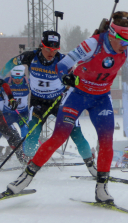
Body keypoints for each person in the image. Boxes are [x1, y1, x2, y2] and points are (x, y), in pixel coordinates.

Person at [4, 12, 128, 203]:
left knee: (107, 141)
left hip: (101, 98)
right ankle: (24, 179)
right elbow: (62, 65)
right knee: (59, 136)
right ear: (112, 35)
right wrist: (66, 78)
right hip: (78, 95)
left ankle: (102, 188)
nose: (125, 47)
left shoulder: (127, 45)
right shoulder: (93, 44)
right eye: (122, 42)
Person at [0, 31, 94, 173]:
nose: (51, 53)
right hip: (38, 103)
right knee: (31, 137)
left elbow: (78, 77)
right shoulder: (30, 57)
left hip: (60, 102)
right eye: (48, 49)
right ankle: (29, 166)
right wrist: (1, 76)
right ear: (41, 46)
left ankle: (92, 167)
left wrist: (74, 81)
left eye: (55, 50)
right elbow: (11, 63)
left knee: (76, 133)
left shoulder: (63, 60)